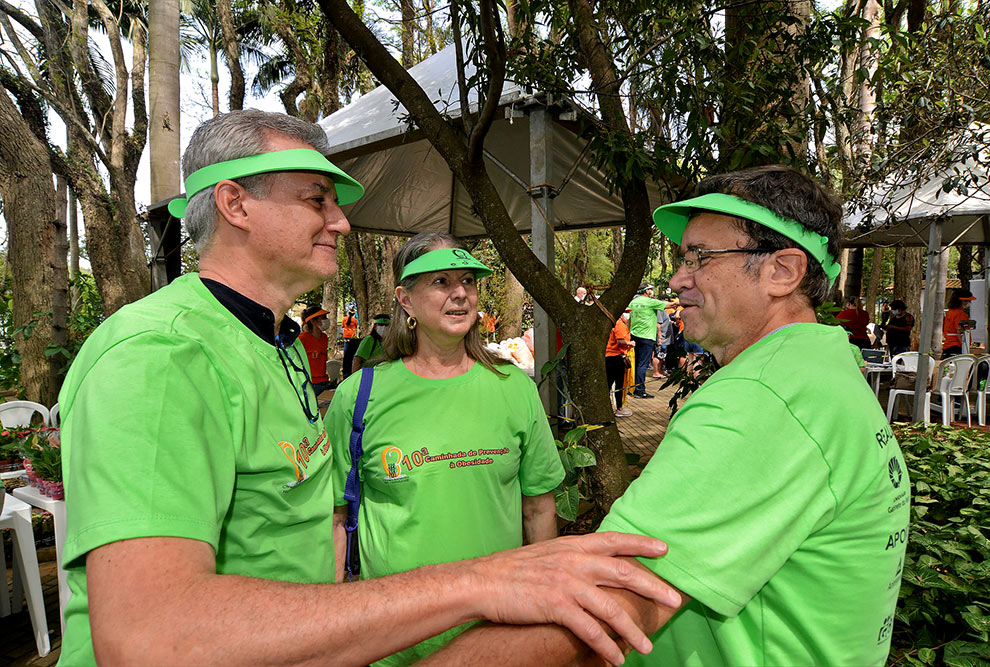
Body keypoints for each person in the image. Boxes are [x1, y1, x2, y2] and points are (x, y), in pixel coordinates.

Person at [54, 109, 681, 666]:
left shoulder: (276, 345)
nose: (341, 222)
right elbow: (149, 638)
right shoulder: (161, 355)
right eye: (317, 198)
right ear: (235, 204)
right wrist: (474, 582)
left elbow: (308, 526)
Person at [429, 165, 909, 666]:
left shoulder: (762, 397)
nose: (678, 279)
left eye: (700, 257)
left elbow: (602, 606)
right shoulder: (823, 365)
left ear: (782, 272)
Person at [327, 233, 565, 665]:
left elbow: (539, 509)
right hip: (394, 636)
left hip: (498, 631)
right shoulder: (358, 396)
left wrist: (543, 608)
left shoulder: (514, 389)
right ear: (405, 299)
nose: (459, 294)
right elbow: (336, 515)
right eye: (440, 281)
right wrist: (338, 618)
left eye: (467, 282)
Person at [628, 284, 667, 398]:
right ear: (646, 291)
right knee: (642, 365)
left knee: (635, 363)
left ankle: (632, 388)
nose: (652, 291)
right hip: (647, 336)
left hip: (634, 336)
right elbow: (671, 304)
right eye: (650, 289)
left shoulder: (633, 302)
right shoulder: (650, 302)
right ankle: (640, 390)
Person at [298, 305, 333, 395]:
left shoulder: (324, 337)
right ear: (313, 321)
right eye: (323, 318)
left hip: (324, 382)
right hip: (310, 383)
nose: (326, 320)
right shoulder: (302, 338)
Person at [606, 308, 634, 417]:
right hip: (615, 357)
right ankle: (619, 408)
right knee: (618, 383)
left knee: (610, 383)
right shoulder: (619, 325)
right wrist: (630, 343)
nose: (627, 315)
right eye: (626, 312)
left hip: (610, 357)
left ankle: (614, 407)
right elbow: (620, 340)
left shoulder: (614, 323)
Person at [943, 288, 976, 356]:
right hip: (957, 347)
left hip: (947, 346)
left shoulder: (949, 313)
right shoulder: (961, 314)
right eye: (966, 300)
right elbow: (961, 331)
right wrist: (965, 348)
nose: (968, 303)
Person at [340, 306, 360, 379]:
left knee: (346, 350)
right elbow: (356, 326)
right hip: (352, 335)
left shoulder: (344, 319)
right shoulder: (354, 320)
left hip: (346, 335)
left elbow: (342, 326)